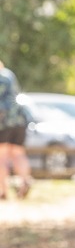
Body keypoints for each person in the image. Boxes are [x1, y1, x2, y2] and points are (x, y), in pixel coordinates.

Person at [0, 61, 32, 200]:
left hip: (4, 122)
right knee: (18, 153)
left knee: (2, 156)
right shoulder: (10, 75)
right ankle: (25, 182)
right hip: (20, 121)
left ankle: (3, 190)